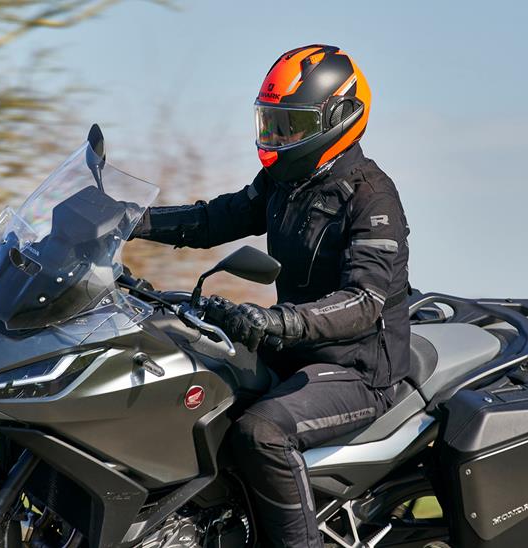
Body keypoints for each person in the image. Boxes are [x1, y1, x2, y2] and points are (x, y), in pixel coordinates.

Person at [131, 44, 412, 547]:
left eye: (292, 126)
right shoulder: (287, 181)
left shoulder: (373, 198)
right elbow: (214, 219)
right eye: (274, 124)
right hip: (293, 354)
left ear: (340, 118)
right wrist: (129, 220)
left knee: (261, 433)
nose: (279, 138)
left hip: (359, 370)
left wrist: (275, 322)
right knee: (186, 391)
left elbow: (365, 301)